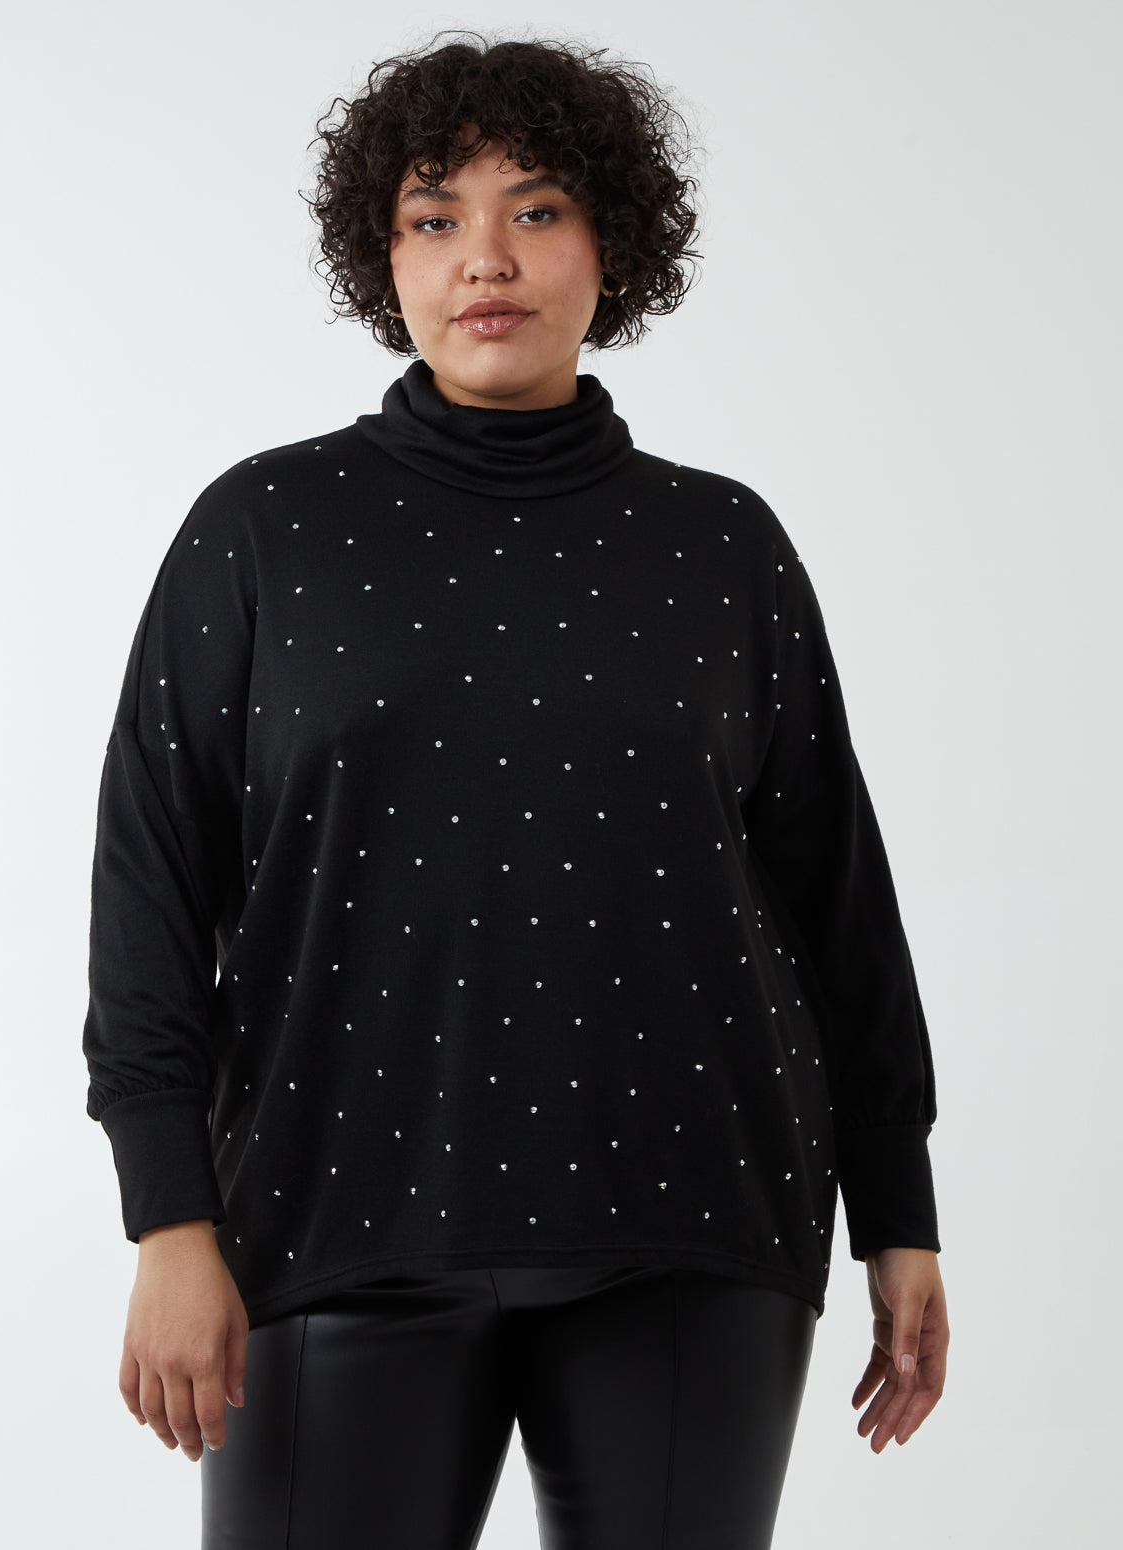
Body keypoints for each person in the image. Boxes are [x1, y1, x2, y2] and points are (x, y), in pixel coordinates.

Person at [81, 30, 949, 1550]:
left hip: (691, 1223)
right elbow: (150, 889)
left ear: (615, 243)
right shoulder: (263, 530)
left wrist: (900, 1207)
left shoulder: (723, 546)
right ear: (387, 257)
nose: (486, 257)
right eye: (436, 216)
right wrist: (168, 1215)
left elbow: (835, 898)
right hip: (333, 1215)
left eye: (537, 210)